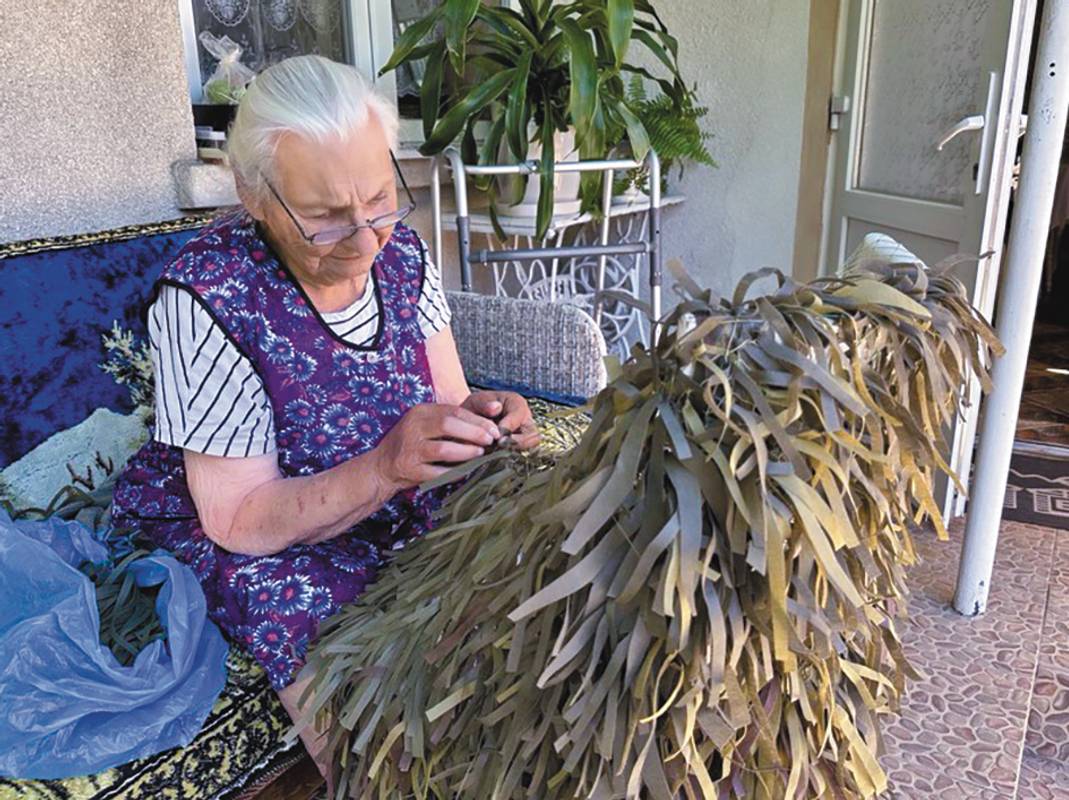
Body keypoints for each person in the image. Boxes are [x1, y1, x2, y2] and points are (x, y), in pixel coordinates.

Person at [110, 55, 538, 786]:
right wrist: (381, 468)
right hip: (261, 521)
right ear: (254, 195)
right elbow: (240, 519)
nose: (366, 238)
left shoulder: (399, 250)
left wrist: (488, 419)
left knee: (525, 547)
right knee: (304, 613)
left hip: (387, 485)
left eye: (377, 198)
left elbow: (448, 397)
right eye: (326, 217)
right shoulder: (207, 292)